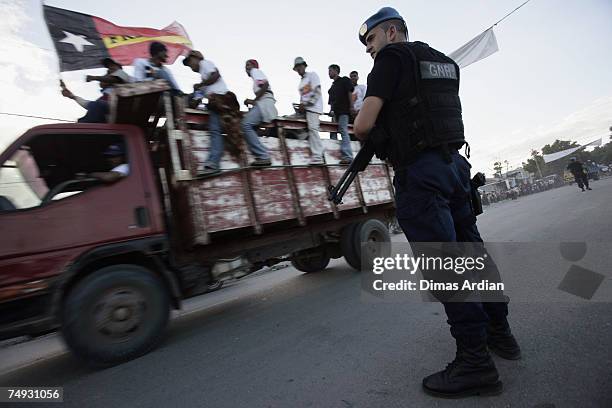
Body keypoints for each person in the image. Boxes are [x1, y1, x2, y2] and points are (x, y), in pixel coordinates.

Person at [353, 7, 520, 398]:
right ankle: (502, 334)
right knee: (472, 256)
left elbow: (362, 125)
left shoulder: (391, 58)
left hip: (421, 176)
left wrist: (378, 136)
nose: (369, 51)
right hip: (455, 168)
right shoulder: (443, 62)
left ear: (391, 32)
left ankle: (476, 364)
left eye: (371, 41)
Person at [183, 50, 245, 176]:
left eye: (190, 63)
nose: (191, 66)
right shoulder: (203, 76)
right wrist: (196, 95)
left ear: (197, 58)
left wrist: (200, 85)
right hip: (217, 103)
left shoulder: (205, 63)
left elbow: (216, 75)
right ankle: (214, 163)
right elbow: (199, 96)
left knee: (217, 132)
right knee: (223, 131)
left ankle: (213, 164)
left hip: (221, 100)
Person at [241, 59, 278, 166]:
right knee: (250, 126)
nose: (247, 67)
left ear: (254, 66)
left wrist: (254, 101)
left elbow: (265, 86)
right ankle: (261, 153)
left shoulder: (255, 71)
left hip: (265, 102)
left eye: (249, 65)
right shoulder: (255, 76)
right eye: (246, 66)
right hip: (264, 102)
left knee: (245, 124)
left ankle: (263, 155)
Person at [293, 57, 325, 165]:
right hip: (305, 109)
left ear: (304, 66)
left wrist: (306, 104)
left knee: (313, 129)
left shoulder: (312, 75)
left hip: (314, 108)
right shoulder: (301, 83)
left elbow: (317, 92)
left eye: (300, 66)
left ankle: (318, 157)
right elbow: (303, 98)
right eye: (297, 67)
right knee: (291, 122)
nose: (299, 69)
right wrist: (300, 106)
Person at [327, 64, 354, 164]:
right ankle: (334, 155)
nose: (328, 73)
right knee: (332, 131)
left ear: (336, 71)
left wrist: (351, 106)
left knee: (343, 129)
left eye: (330, 71)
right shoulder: (332, 88)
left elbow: (350, 92)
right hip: (335, 113)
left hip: (344, 111)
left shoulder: (344, 80)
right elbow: (331, 102)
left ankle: (348, 156)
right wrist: (331, 111)